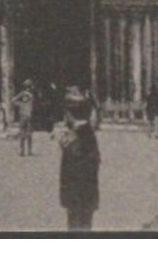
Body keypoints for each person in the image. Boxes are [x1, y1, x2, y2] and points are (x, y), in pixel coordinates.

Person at [57, 88, 101, 231]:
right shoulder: (83, 133)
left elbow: (77, 167)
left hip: (78, 197)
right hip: (83, 196)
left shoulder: (80, 136)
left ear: (70, 114)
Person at [13, 79, 37, 156]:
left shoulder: (22, 94)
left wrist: (19, 104)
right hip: (29, 115)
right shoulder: (32, 96)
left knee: (22, 133)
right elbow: (33, 106)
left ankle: (22, 151)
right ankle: (29, 151)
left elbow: (13, 100)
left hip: (22, 115)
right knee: (29, 134)